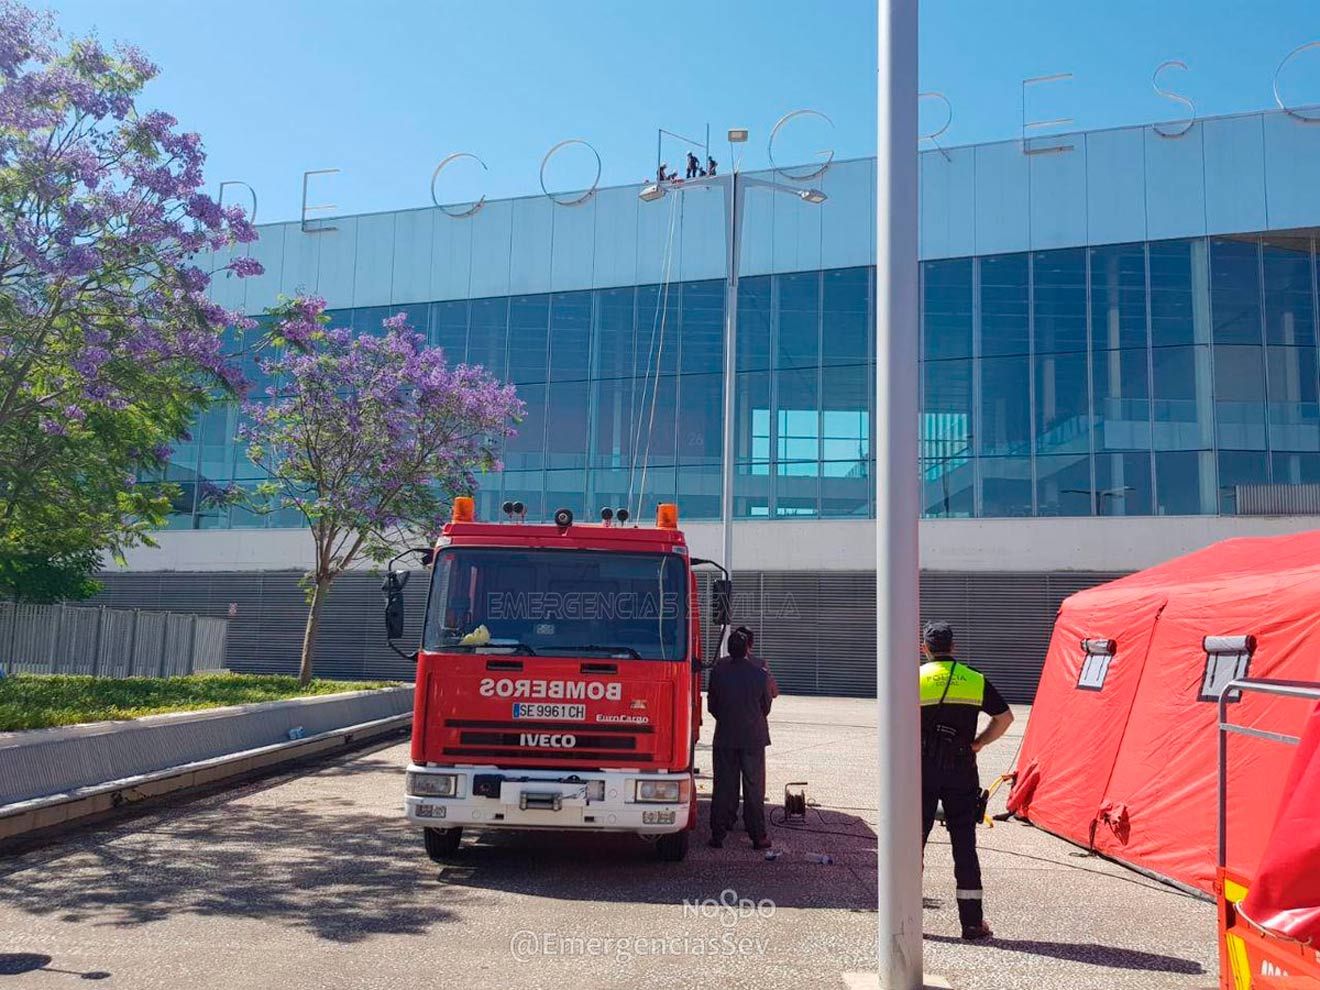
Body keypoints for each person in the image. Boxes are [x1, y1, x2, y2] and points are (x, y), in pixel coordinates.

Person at [919, 620, 1014, 940]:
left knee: (911, 844)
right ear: (953, 647)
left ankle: (907, 920)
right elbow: (1004, 718)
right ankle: (972, 924)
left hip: (920, 770)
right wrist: (980, 742)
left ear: (925, 649)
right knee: (964, 847)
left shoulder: (912, 678)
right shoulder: (974, 679)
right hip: (961, 769)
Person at [706, 626, 773, 850]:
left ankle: (718, 834)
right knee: (754, 788)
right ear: (747, 649)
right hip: (753, 738)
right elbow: (766, 706)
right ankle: (758, 836)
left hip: (725, 736)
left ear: (728, 650)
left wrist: (726, 719)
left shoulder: (718, 672)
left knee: (724, 786)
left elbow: (712, 706)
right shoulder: (759, 674)